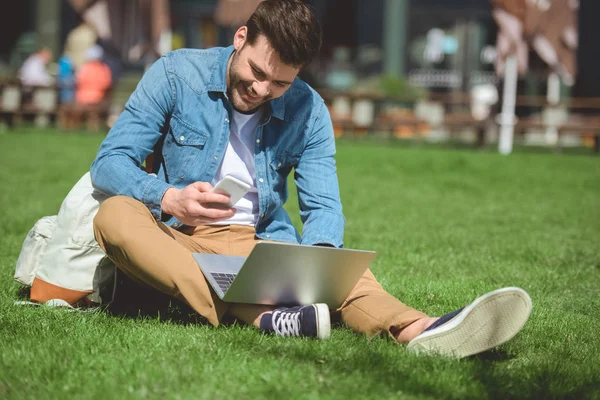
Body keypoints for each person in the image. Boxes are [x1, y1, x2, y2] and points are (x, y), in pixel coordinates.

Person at [87, 0, 531, 358]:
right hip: (174, 235)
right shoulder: (175, 73)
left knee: (347, 273)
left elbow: (322, 208)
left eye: (279, 83)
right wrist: (170, 198)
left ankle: (423, 331)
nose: (261, 90)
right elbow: (110, 162)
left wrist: (318, 266)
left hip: (258, 243)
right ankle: (260, 315)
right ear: (240, 38)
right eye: (257, 72)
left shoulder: (310, 109)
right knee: (114, 217)